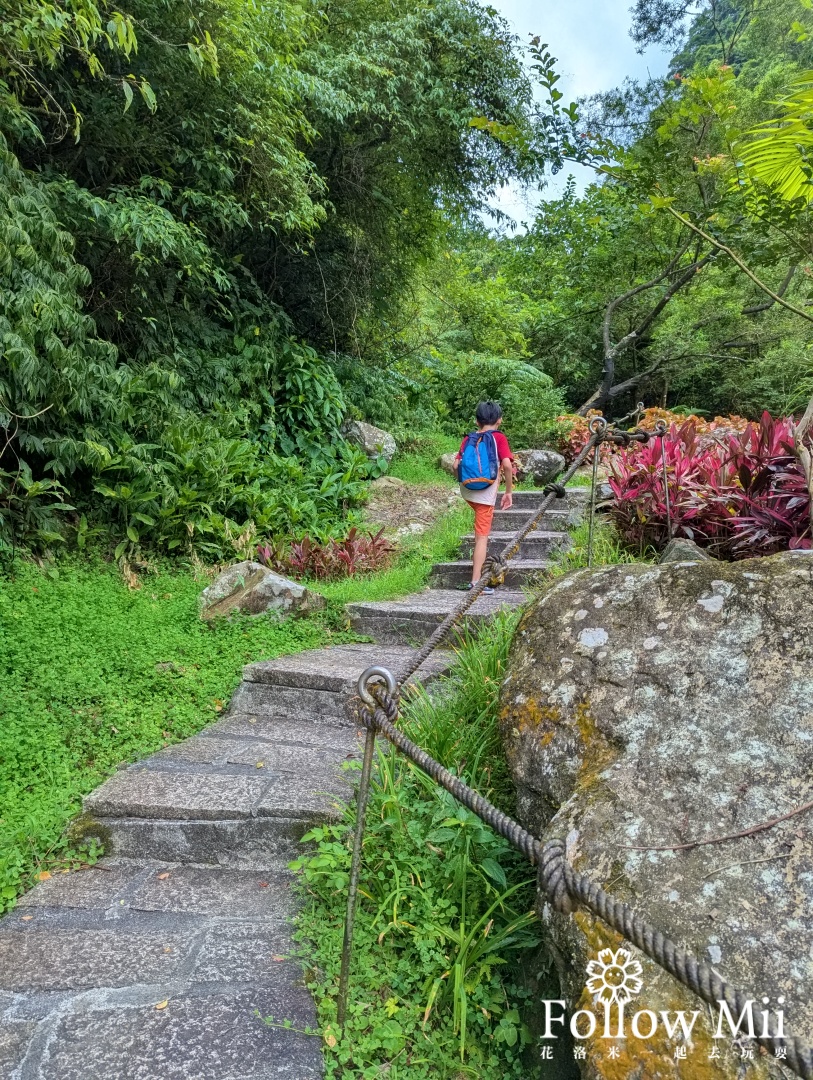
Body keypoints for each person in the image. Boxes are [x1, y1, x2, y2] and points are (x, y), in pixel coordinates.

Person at [455, 400, 513, 592]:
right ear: (499, 420)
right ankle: (475, 581)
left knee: (480, 527)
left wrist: (468, 480)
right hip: (485, 495)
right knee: (481, 537)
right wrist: (508, 492)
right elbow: (506, 465)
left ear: (477, 421)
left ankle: (475, 578)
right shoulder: (499, 438)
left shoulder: (468, 438)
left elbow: (456, 466)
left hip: (467, 491)